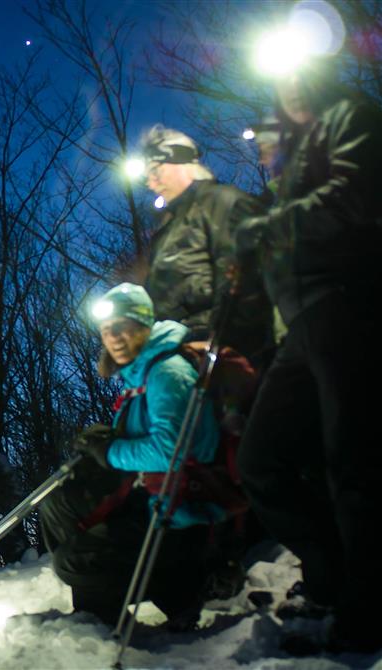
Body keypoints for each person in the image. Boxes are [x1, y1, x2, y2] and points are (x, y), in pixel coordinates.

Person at [235, 55, 382, 654]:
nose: (289, 87)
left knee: (353, 462)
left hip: (350, 303)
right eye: (280, 80)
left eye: (298, 76)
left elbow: (353, 200)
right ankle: (333, 578)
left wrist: (271, 228)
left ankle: (367, 607)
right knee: (262, 460)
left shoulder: (353, 116)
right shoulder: (293, 156)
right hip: (302, 324)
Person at [39, 283, 223, 629]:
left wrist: (109, 451)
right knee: (60, 501)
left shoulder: (167, 372)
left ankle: (181, 590)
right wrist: (106, 440)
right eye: (107, 330)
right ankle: (102, 605)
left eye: (123, 326)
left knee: (73, 560)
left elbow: (172, 451)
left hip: (185, 513)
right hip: (156, 497)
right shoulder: (140, 377)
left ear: (145, 326)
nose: (114, 337)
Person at [135, 126, 273, 364]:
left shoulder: (221, 202)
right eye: (147, 175)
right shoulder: (165, 233)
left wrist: (226, 345)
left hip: (221, 351)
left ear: (181, 163)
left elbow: (244, 278)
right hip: (176, 352)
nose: (151, 182)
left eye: (156, 170)